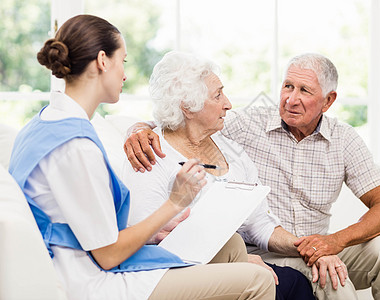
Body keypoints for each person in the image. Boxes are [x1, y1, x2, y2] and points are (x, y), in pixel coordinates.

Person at [8, 15, 276, 300]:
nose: (124, 74)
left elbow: (81, 224)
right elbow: (108, 254)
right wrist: (175, 202)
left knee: (232, 245)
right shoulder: (76, 148)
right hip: (91, 281)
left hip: (81, 258)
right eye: (123, 61)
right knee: (257, 279)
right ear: (102, 61)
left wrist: (151, 234)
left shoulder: (44, 124)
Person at [124, 53, 380, 300]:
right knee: (333, 281)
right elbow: (182, 120)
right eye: (288, 86)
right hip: (267, 252)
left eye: (305, 91)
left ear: (328, 101)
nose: (291, 99)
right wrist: (138, 130)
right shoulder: (247, 125)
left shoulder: (344, 139)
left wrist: (334, 242)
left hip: (311, 244)